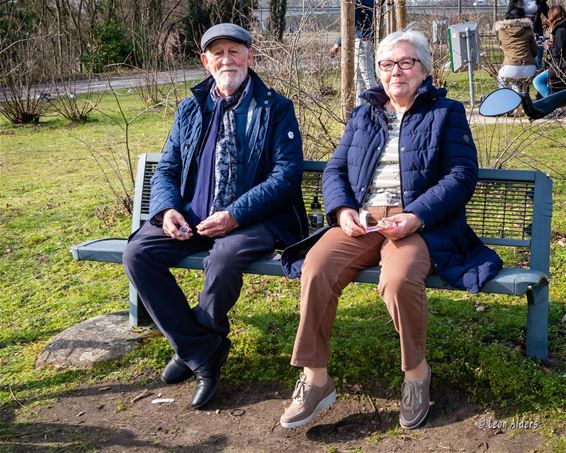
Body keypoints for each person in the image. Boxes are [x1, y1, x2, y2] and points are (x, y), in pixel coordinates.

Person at [279, 29, 502, 430]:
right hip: (363, 220)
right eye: (387, 64)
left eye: (405, 62)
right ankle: (316, 379)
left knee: (397, 281)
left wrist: (415, 216)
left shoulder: (445, 112)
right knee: (316, 267)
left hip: (418, 223)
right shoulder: (365, 113)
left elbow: (461, 174)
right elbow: (335, 169)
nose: (395, 71)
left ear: (424, 70)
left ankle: (417, 374)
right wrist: (343, 209)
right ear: (378, 71)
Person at [123, 23, 308, 409]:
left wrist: (235, 215)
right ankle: (200, 347)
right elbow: (168, 169)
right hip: (192, 216)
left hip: (256, 220)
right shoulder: (191, 108)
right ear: (205, 61)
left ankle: (195, 347)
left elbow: (286, 176)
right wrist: (167, 209)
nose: (227, 60)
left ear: (249, 58)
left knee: (222, 259)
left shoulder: (275, 107)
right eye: (218, 53)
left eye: (235, 52)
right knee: (138, 254)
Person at [330, 0, 378, 106]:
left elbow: (350, 24)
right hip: (367, 39)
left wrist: (337, 44)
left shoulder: (357, 2)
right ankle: (360, 110)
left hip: (361, 40)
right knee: (360, 79)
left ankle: (380, 107)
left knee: (367, 78)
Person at [495, 6, 538, 92]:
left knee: (501, 78)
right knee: (519, 85)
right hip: (529, 68)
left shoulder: (501, 31)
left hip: (510, 67)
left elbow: (501, 46)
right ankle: (522, 101)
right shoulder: (528, 30)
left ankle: (505, 97)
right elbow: (534, 51)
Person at [533, 5, 566, 97]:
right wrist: (553, 44)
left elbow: (558, 52)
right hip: (560, 66)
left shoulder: (561, 30)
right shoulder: (563, 28)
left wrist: (548, 47)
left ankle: (551, 101)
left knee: (537, 81)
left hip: (560, 67)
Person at [507, 0, 549, 68]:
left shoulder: (540, 1)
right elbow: (508, 16)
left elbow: (549, 14)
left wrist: (549, 23)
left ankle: (536, 75)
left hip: (536, 31)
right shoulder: (515, 1)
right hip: (521, 32)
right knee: (522, 56)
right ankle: (523, 76)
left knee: (538, 57)